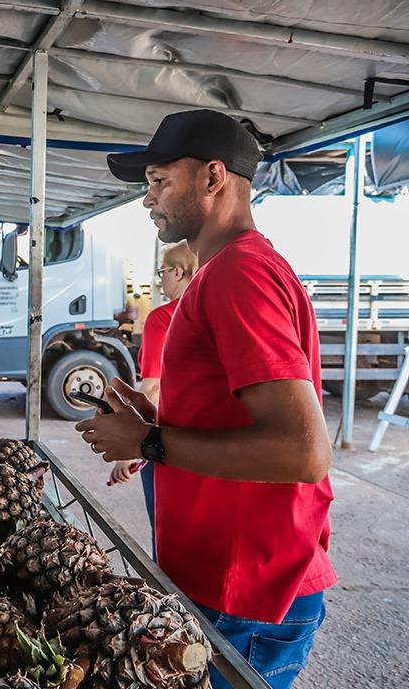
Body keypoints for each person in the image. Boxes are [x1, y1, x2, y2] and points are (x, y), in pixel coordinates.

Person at [76, 109, 337, 688]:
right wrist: (161, 415)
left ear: (213, 177)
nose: (148, 200)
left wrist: (148, 440)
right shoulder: (233, 270)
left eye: (159, 181)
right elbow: (236, 411)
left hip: (245, 588)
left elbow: (303, 450)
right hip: (230, 579)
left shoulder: (238, 275)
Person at [107, 241, 197, 551]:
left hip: (164, 438)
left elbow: (152, 387)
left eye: (163, 273)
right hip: (202, 442)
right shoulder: (212, 311)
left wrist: (128, 449)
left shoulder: (163, 318)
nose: (161, 280)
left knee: (167, 537)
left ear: (178, 271)